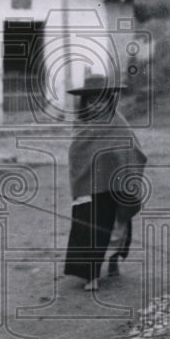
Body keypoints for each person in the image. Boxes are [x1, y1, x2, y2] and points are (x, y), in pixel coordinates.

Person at [63, 73, 148, 291]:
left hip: (114, 186)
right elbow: (76, 155)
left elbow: (133, 149)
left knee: (118, 225)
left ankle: (113, 260)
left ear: (109, 100)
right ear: (85, 103)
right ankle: (91, 274)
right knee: (89, 228)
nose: (96, 104)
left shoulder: (118, 123)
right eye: (91, 100)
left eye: (101, 99)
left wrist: (123, 171)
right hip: (88, 188)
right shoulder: (81, 125)